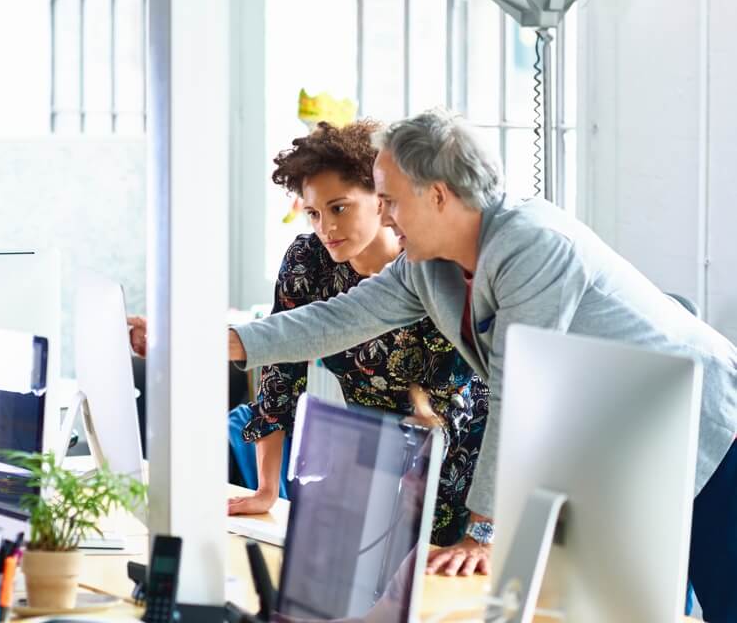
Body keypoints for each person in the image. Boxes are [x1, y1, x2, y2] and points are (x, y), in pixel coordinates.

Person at [228, 109, 737, 618]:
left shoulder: (531, 244)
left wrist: (483, 528)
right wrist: (222, 342)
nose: (384, 217)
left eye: (390, 201)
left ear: (437, 195)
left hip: (707, 433)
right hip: (616, 445)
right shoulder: (428, 264)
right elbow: (338, 320)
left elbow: (515, 394)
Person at [132, 120, 489, 549]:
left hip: (464, 470)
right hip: (373, 465)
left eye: (340, 208)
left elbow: (482, 399)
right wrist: (267, 488)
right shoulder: (309, 263)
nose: (326, 228)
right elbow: (280, 373)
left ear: (382, 199)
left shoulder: (430, 264)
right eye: (314, 213)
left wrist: (482, 529)